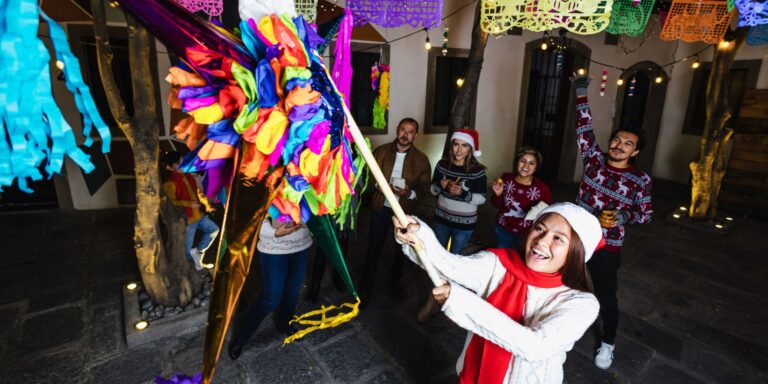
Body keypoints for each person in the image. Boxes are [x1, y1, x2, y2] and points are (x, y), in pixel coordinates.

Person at [394, 202, 603, 383]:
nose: (541, 241)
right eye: (539, 229)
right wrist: (418, 236)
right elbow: (450, 266)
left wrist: (461, 302)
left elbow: (536, 346)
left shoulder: (581, 303)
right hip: (472, 372)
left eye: (558, 238)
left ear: (577, 252)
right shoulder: (500, 263)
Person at [572, 75, 653, 369]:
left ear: (636, 151)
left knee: (606, 296)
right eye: (617, 140)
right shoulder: (594, 158)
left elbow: (646, 214)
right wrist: (581, 91)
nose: (619, 145)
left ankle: (608, 344)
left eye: (628, 143)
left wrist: (623, 216)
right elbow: (584, 127)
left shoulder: (639, 180)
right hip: (577, 234)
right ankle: (560, 329)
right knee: (561, 282)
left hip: (608, 244)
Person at [417, 129, 487, 322]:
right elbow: (432, 190)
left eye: (464, 145)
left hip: (464, 224)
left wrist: (463, 194)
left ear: (470, 149)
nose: (459, 149)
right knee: (435, 258)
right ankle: (432, 301)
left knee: (454, 263)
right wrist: (441, 186)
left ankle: (450, 302)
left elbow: (481, 198)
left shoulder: (477, 171)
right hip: (441, 219)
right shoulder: (442, 165)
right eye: (456, 144)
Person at [360, 117, 431, 305]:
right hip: (381, 208)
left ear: (415, 135)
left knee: (402, 251)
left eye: (410, 132)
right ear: (397, 130)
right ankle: (366, 288)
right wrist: (380, 186)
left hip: (404, 213)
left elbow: (424, 188)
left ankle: (394, 284)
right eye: (402, 130)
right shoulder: (381, 151)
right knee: (373, 248)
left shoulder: (422, 160)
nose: (405, 135)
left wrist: (410, 193)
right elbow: (367, 176)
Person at [228, 217, 313, 359]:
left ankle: (285, 324)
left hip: (302, 245)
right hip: (273, 249)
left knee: (292, 292)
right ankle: (242, 338)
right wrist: (272, 233)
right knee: (270, 299)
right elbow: (251, 214)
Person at [161, 151, 220, 271]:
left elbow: (198, 192)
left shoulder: (188, 175)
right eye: (179, 163)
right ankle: (192, 268)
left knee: (214, 229)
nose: (183, 164)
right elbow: (171, 202)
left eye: (183, 161)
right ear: (169, 167)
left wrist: (207, 205)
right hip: (188, 219)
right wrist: (188, 204)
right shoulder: (170, 183)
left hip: (199, 214)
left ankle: (198, 252)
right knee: (186, 250)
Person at [492, 146, 552, 248]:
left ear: (536, 167)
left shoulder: (542, 189)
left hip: (527, 233)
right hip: (503, 229)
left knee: (521, 261)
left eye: (531, 163)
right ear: (517, 162)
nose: (526, 166)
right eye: (522, 161)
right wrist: (498, 194)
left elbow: (547, 215)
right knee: (502, 259)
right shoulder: (506, 178)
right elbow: (496, 204)